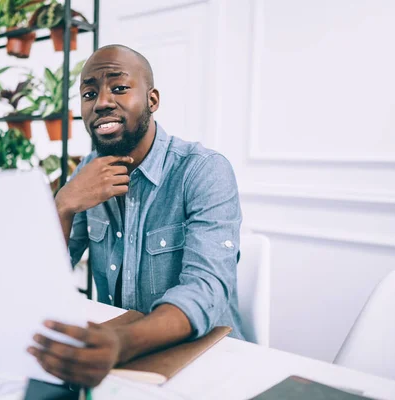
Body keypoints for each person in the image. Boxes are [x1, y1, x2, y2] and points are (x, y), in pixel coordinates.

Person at [27, 44, 243, 387]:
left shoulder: (203, 171)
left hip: (207, 364)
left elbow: (205, 289)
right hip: (119, 365)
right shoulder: (87, 171)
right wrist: (63, 205)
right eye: (89, 93)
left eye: (119, 88)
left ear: (152, 100)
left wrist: (121, 343)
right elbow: (42, 276)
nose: (101, 102)